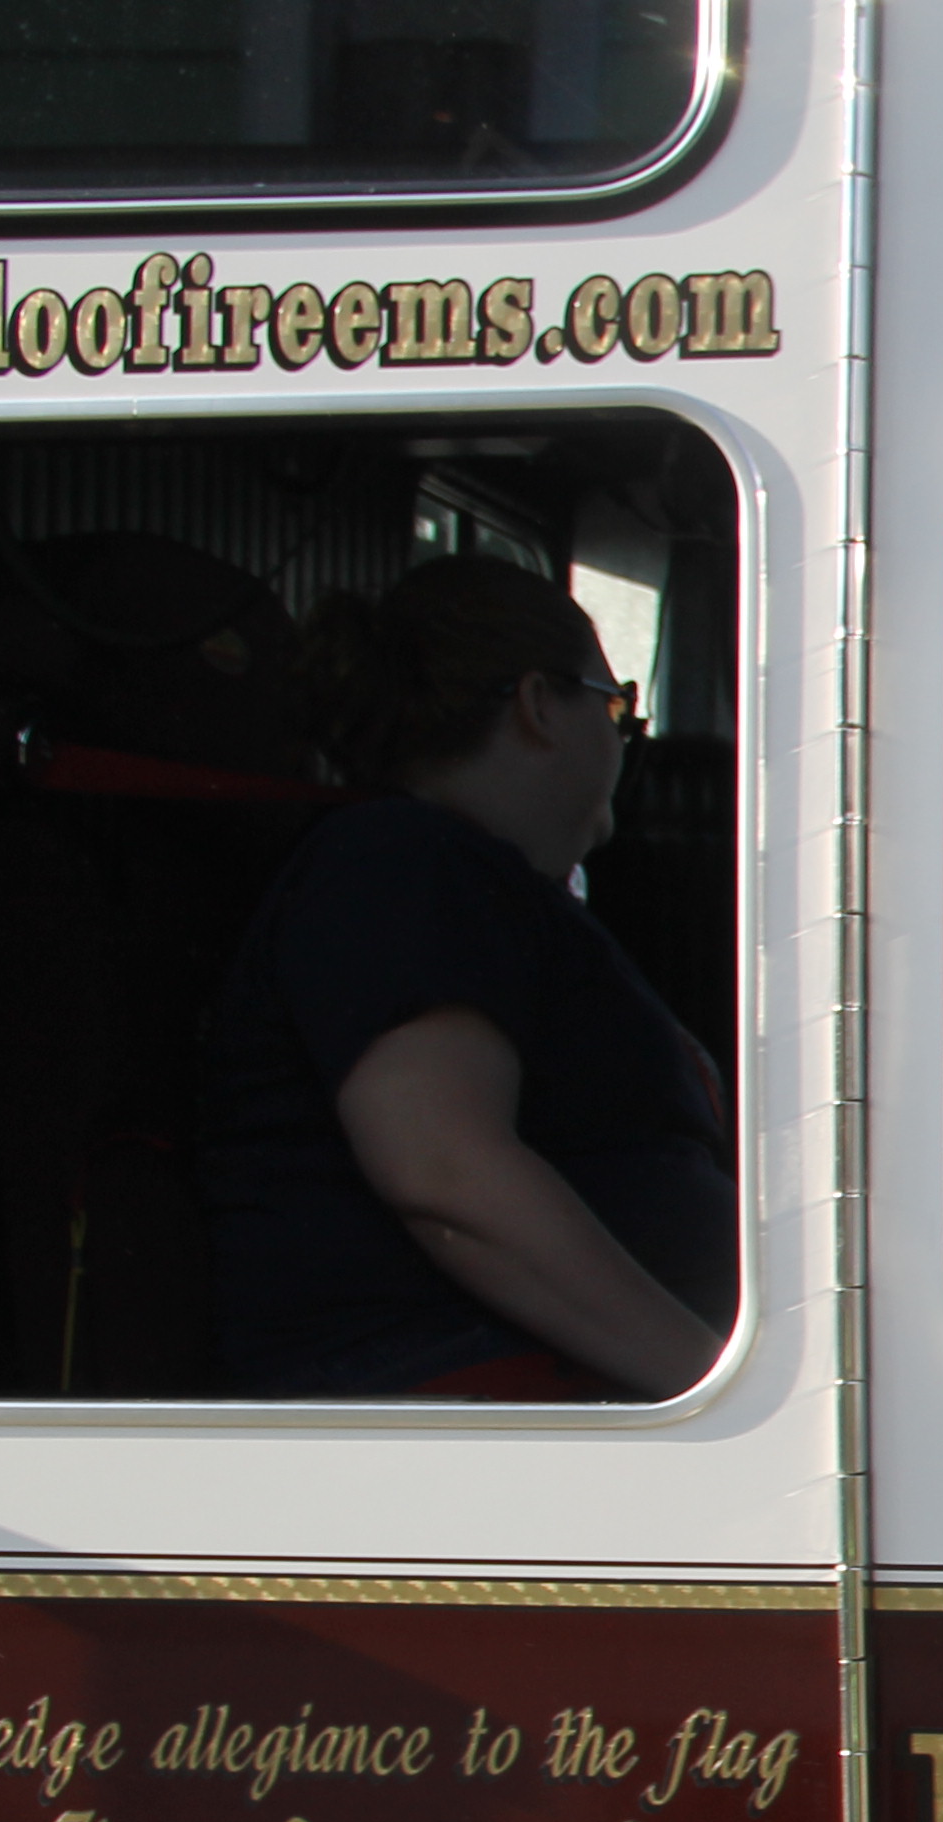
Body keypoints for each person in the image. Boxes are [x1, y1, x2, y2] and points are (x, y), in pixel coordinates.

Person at [200, 558, 731, 1400]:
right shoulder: (404, 863)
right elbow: (445, 1171)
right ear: (538, 705)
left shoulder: (479, 883)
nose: (624, 739)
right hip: (456, 1398)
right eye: (616, 707)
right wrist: (720, 1388)